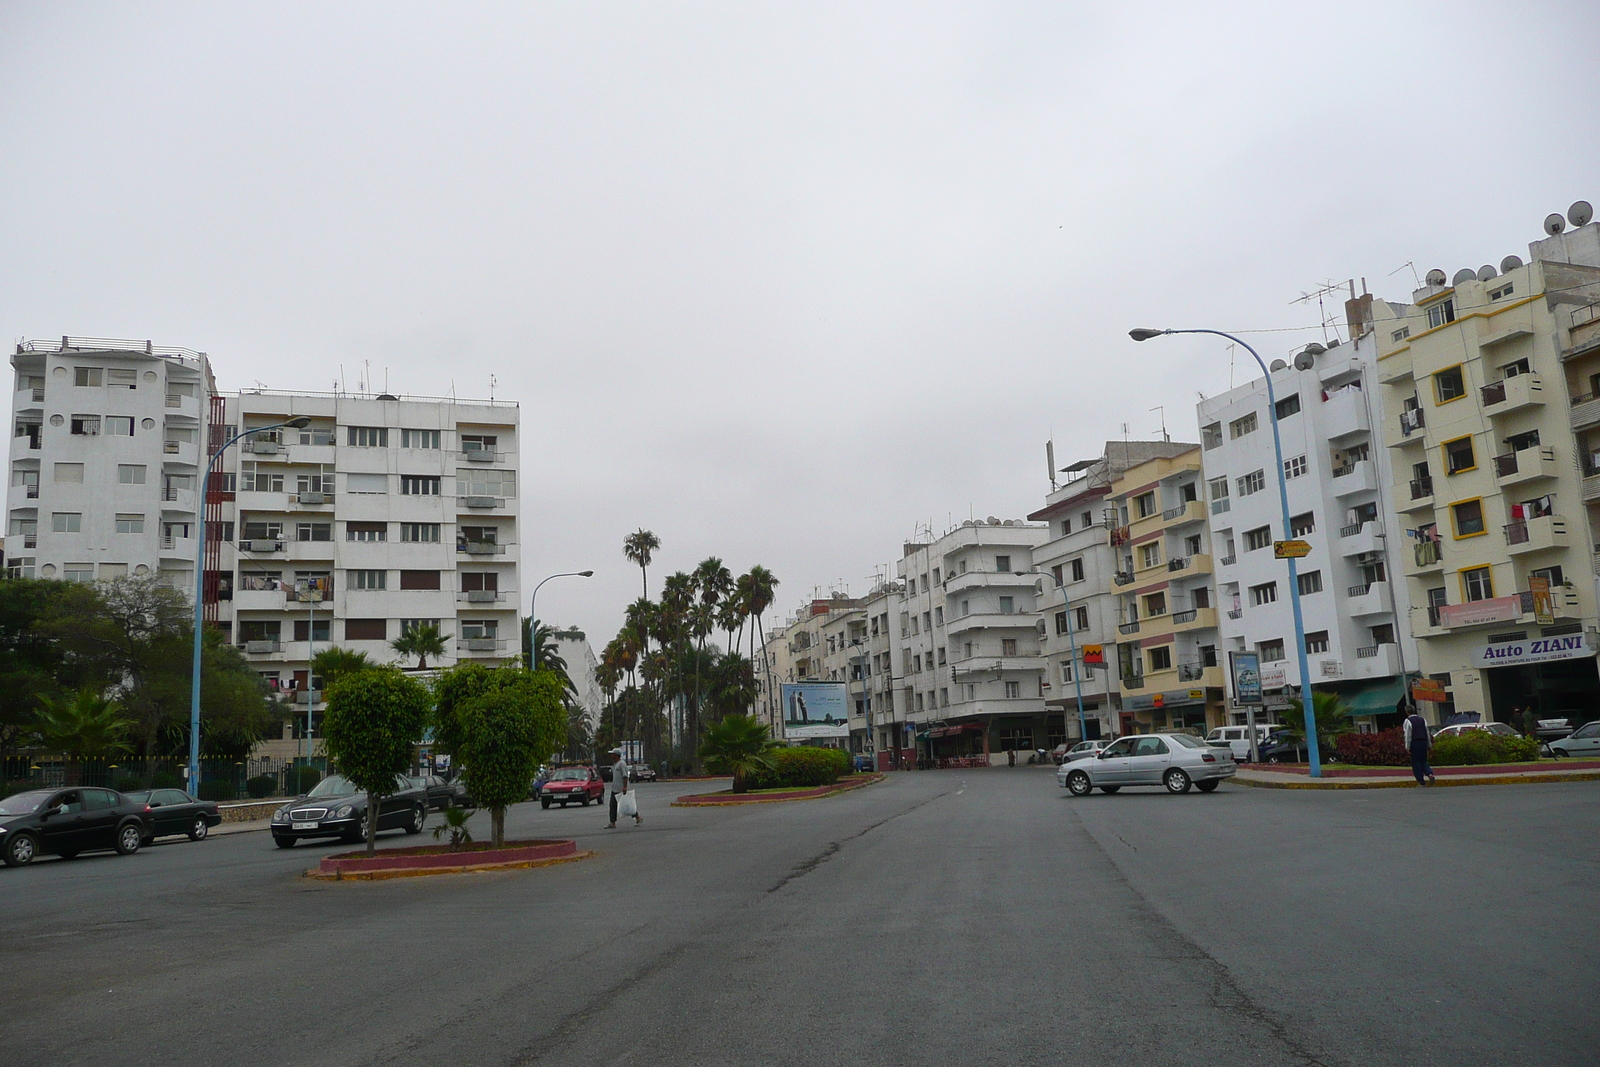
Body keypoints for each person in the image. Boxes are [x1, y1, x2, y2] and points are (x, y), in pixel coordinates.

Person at [605, 751, 641, 829]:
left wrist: (624, 787)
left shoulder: (622, 764)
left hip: (620, 789)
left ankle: (637, 817)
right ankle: (612, 822)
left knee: (627, 805)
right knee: (613, 806)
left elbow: (625, 776)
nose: (611, 755)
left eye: (612, 754)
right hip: (615, 789)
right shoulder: (616, 764)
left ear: (616, 755)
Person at [1403, 707, 1435, 786]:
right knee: (1423, 761)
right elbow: (1427, 733)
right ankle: (1429, 773)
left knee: (1416, 762)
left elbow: (1408, 735)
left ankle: (1421, 781)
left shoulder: (1408, 721)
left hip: (1415, 742)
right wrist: (1429, 744)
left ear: (1407, 712)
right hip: (1423, 742)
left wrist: (1407, 747)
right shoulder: (1422, 720)